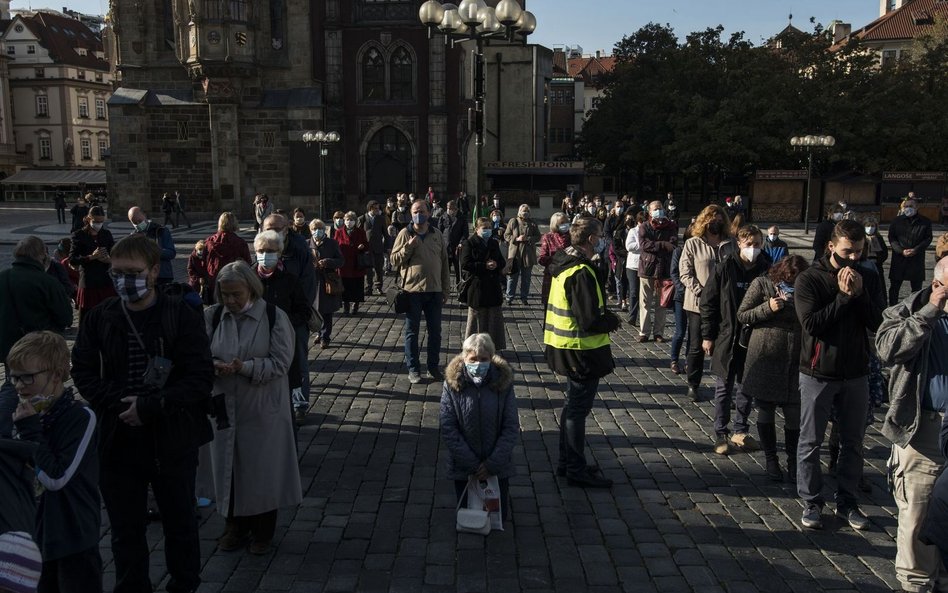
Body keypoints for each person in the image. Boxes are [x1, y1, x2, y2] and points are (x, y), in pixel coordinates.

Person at [71, 233, 214, 593]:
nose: (122, 280)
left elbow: (199, 377)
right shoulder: (99, 317)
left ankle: (184, 584)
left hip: (172, 437)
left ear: (153, 271)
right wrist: (123, 403)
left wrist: (150, 406)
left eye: (132, 272)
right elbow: (83, 372)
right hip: (118, 437)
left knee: (180, 524)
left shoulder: (180, 314)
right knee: (125, 529)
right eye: (116, 272)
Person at [206, 261, 302, 555]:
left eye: (236, 294)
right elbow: (196, 355)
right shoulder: (212, 317)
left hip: (262, 407)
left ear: (251, 289)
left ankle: (263, 531)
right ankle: (234, 525)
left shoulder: (274, 317)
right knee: (229, 469)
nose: (230, 301)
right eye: (225, 295)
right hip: (224, 405)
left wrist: (244, 367)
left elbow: (281, 363)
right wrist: (213, 366)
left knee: (262, 471)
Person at [795, 219, 884, 531]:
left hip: (856, 371)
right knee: (811, 441)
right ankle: (812, 501)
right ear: (831, 247)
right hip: (819, 372)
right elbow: (813, 325)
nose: (853, 258)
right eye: (848, 251)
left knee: (853, 442)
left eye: (859, 252)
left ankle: (848, 501)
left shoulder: (869, 276)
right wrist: (843, 297)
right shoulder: (810, 279)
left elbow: (877, 322)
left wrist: (860, 295)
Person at [876, 257, 948, 593]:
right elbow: (888, 350)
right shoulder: (906, 311)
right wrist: (930, 311)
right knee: (917, 517)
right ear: (938, 285)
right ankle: (917, 584)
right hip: (924, 432)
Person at [10, 331, 101, 592]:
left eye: (28, 377)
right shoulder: (30, 414)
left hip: (73, 534)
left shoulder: (81, 417)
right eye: (14, 377)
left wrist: (30, 432)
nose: (19, 386)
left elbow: (56, 478)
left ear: (57, 374)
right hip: (36, 534)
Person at [544, 218, 621, 488]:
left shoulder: (564, 264)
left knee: (571, 407)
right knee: (577, 410)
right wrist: (612, 321)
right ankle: (575, 467)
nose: (602, 239)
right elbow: (589, 320)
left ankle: (568, 462)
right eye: (600, 235)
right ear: (590, 239)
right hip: (580, 350)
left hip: (566, 347)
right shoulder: (580, 271)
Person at [738, 255, 809, 481]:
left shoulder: (807, 289)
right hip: (766, 357)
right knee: (766, 410)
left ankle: (793, 461)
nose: (792, 282)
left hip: (795, 359)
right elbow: (743, 314)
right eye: (789, 278)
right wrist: (767, 307)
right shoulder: (762, 284)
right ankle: (771, 459)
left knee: (793, 414)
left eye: (797, 279)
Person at [701, 224, 769, 455]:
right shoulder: (724, 268)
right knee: (723, 388)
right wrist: (707, 336)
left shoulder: (767, 268)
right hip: (726, 335)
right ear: (739, 243)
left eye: (757, 244)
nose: (754, 249)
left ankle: (741, 430)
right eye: (749, 244)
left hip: (754, 338)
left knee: (746, 387)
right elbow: (708, 303)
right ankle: (721, 433)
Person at [440, 334, 519, 520]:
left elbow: (510, 426)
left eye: (483, 359)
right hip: (464, 466)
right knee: (468, 517)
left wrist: (492, 463)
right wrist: (472, 464)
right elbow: (448, 427)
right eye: (473, 359)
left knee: (496, 517)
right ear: (464, 358)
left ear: (491, 359)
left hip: (497, 465)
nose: (478, 363)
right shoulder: (452, 385)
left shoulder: (504, 384)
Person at [0, 237, 73, 439]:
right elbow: (66, 316)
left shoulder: (3, 277)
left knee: (14, 382)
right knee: (37, 386)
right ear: (41, 255)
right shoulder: (46, 281)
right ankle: (39, 425)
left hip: (9, 345)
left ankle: (10, 426)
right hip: (41, 347)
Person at [252, 231, 310, 424]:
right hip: (254, 344)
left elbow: (304, 311)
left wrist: (283, 323)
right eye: (261, 250)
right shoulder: (248, 279)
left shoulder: (289, 280)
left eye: (270, 250)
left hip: (282, 343)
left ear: (278, 252)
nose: (265, 254)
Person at [390, 200, 451, 385]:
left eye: (422, 211)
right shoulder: (404, 233)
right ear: (411, 214)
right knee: (412, 333)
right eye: (415, 211)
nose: (419, 214)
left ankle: (433, 367)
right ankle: (414, 369)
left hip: (434, 291)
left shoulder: (436, 234)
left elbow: (444, 264)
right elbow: (393, 260)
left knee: (435, 332)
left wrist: (446, 289)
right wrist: (408, 246)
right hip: (412, 291)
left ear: (429, 213)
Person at [679, 205, 732, 402]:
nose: (715, 222)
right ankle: (693, 383)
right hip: (697, 303)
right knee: (696, 346)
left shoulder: (730, 244)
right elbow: (685, 273)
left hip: (724, 304)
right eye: (711, 218)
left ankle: (724, 388)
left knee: (724, 346)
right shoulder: (693, 243)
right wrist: (702, 292)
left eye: (719, 219)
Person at [460, 218, 507, 351]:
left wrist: (497, 265)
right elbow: (465, 264)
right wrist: (484, 265)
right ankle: (473, 347)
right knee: (476, 320)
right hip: (477, 287)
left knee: (493, 319)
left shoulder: (493, 243)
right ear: (477, 229)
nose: (487, 230)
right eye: (484, 227)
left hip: (493, 287)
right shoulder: (469, 243)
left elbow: (501, 261)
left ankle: (493, 346)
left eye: (489, 227)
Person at [637, 201, 678, 343]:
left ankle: (658, 332)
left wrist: (657, 245)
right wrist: (661, 244)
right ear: (649, 211)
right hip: (647, 269)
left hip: (664, 269)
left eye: (660, 208)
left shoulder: (671, 226)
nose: (658, 211)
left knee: (662, 304)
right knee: (645, 303)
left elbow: (672, 245)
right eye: (655, 209)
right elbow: (644, 245)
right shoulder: (644, 226)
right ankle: (644, 332)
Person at [69, 206, 116, 324]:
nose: (99, 224)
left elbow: (115, 254)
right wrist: (90, 257)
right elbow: (72, 259)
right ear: (89, 218)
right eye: (96, 221)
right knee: (87, 318)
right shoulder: (79, 235)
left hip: (105, 280)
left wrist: (109, 260)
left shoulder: (106, 234)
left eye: (101, 221)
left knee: (107, 315)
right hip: (88, 282)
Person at [889, 197, 933, 306]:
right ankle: (892, 307)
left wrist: (916, 250)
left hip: (916, 259)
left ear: (917, 207)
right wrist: (901, 251)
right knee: (894, 287)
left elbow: (928, 238)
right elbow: (892, 238)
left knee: (916, 288)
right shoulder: (896, 221)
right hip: (899, 259)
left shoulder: (925, 222)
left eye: (911, 206)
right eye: (906, 206)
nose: (908, 208)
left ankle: (914, 308)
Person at [308, 219, 344, 349]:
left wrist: (328, 262)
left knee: (327, 311)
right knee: (315, 310)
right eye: (314, 229)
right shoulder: (307, 244)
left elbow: (341, 261)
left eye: (320, 228)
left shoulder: (332, 244)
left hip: (327, 281)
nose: (317, 231)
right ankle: (318, 332)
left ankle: (325, 337)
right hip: (312, 281)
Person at [205, 212, 252, 300]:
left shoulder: (209, 241)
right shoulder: (240, 242)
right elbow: (247, 263)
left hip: (213, 277)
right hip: (233, 278)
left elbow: (203, 261)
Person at [128, 207, 177, 285]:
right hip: (143, 278)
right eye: (135, 223)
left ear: (145, 215)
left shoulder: (161, 230)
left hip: (162, 277)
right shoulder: (133, 237)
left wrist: (154, 251)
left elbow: (171, 253)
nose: (138, 224)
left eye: (140, 221)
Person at [503, 204, 541, 306]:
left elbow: (538, 236)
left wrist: (528, 239)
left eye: (527, 211)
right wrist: (516, 239)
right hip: (515, 254)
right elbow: (506, 235)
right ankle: (509, 297)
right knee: (512, 276)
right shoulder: (513, 221)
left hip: (528, 254)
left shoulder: (533, 223)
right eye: (523, 211)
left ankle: (524, 297)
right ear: (519, 211)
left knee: (526, 277)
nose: (525, 213)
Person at [335, 211, 369, 315]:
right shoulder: (339, 232)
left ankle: (355, 305)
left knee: (357, 286)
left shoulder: (361, 232)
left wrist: (362, 246)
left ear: (355, 221)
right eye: (347, 220)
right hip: (344, 264)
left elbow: (367, 245)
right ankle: (346, 307)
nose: (349, 222)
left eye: (351, 220)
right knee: (345, 287)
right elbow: (335, 245)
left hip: (356, 263)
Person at [668, 226, 691, 375]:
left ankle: (689, 361)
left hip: (696, 297)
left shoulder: (703, 251)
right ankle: (674, 360)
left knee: (693, 333)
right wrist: (683, 288)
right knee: (680, 331)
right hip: (681, 296)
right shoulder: (679, 251)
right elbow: (674, 272)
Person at [539, 213, 571, 310]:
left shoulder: (572, 236)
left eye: (566, 222)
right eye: (562, 223)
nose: (565, 224)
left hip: (569, 275)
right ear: (555, 224)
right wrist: (556, 258)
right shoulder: (548, 237)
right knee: (550, 307)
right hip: (552, 275)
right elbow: (542, 258)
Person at [357, 201, 388, 296]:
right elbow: (358, 234)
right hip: (366, 248)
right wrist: (359, 245)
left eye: (378, 208)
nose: (377, 210)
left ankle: (378, 287)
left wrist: (387, 248)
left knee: (379, 269)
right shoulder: (362, 219)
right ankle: (368, 288)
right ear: (370, 208)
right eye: (375, 208)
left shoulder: (381, 219)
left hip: (378, 247)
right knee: (368, 270)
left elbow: (386, 234)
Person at [437, 200, 468, 291]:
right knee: (445, 270)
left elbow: (465, 233)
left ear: (456, 208)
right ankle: (446, 287)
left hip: (457, 248)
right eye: (448, 208)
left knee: (458, 269)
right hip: (446, 247)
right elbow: (439, 231)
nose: (449, 210)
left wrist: (461, 242)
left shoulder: (462, 218)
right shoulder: (443, 217)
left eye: (451, 208)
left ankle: (459, 286)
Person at [625, 212, 645, 325]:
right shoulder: (633, 231)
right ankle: (632, 316)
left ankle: (643, 316)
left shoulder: (648, 231)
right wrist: (642, 245)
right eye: (642, 222)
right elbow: (629, 246)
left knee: (644, 293)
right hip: (633, 265)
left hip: (645, 265)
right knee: (634, 291)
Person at [863, 216, 888, 290]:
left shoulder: (879, 238)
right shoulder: (861, 238)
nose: (870, 228)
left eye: (872, 226)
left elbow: (884, 252)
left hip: (877, 265)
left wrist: (878, 260)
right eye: (868, 226)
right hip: (864, 265)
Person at [187, 240, 211, 304]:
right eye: (199, 249)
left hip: (206, 278)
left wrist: (205, 277)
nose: (201, 251)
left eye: (203, 249)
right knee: (194, 288)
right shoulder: (192, 256)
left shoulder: (207, 256)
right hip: (195, 279)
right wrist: (197, 278)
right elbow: (190, 269)